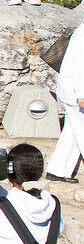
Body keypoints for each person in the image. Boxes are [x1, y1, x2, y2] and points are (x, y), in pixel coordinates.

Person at [47, 21, 84, 183]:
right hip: (76, 92)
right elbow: (80, 67)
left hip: (73, 91)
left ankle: (57, 170)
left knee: (72, 132)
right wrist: (81, 94)